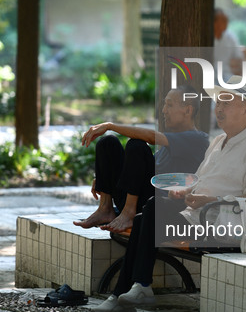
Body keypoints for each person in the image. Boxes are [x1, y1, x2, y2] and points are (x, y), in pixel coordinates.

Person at [91, 77, 246, 312]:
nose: (219, 108)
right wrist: (185, 192)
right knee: (147, 215)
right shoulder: (218, 141)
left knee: (151, 211)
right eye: (219, 102)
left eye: (227, 103)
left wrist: (207, 201)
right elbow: (200, 179)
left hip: (216, 225)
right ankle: (132, 289)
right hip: (195, 216)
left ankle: (126, 293)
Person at [73, 84, 209, 233]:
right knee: (108, 143)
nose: (164, 110)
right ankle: (105, 209)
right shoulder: (168, 146)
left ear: (188, 110)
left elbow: (150, 138)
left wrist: (109, 126)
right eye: (164, 105)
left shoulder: (198, 139)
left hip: (155, 207)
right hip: (139, 198)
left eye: (169, 105)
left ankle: (129, 213)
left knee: (136, 145)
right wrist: (104, 176)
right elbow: (138, 170)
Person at [214, 8, 243, 82]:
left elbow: (239, 58)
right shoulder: (206, 39)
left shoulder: (231, 37)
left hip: (227, 77)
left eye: (226, 20)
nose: (226, 22)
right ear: (214, 22)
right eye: (223, 20)